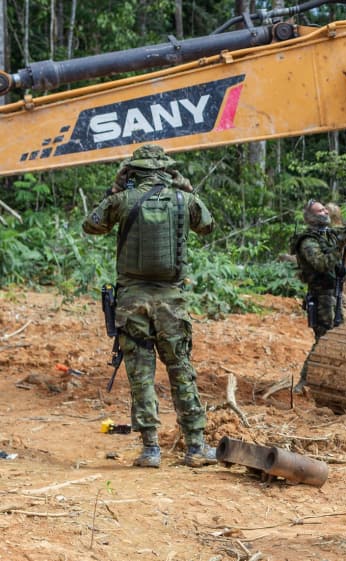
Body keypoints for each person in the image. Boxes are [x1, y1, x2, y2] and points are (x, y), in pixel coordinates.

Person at [83, 144, 217, 468]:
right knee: (181, 370)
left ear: (133, 171)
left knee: (141, 375)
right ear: (167, 170)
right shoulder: (183, 200)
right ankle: (196, 446)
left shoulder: (121, 200)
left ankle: (150, 450)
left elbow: (92, 224)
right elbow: (208, 225)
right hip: (172, 302)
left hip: (132, 303)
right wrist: (186, 187)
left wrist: (114, 187)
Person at [290, 199, 346, 393]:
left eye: (325, 209)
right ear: (311, 217)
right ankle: (304, 381)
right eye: (320, 210)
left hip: (333, 294)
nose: (326, 212)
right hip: (321, 297)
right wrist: (339, 248)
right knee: (325, 338)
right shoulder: (308, 241)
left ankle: (327, 380)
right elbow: (321, 264)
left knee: (335, 336)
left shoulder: (328, 234)